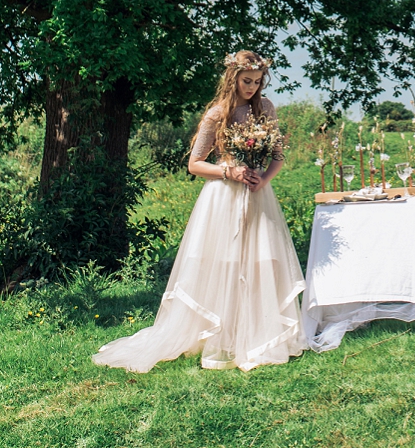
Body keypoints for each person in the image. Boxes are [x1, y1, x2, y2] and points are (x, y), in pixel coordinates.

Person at [91, 50, 305, 372]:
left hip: (258, 193)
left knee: (261, 260)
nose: (252, 87)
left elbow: (277, 155)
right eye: (247, 81)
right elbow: (195, 164)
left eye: (257, 82)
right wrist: (229, 172)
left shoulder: (267, 110)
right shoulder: (217, 114)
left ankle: (254, 333)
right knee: (224, 262)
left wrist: (263, 179)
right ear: (233, 78)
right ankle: (220, 334)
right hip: (223, 196)